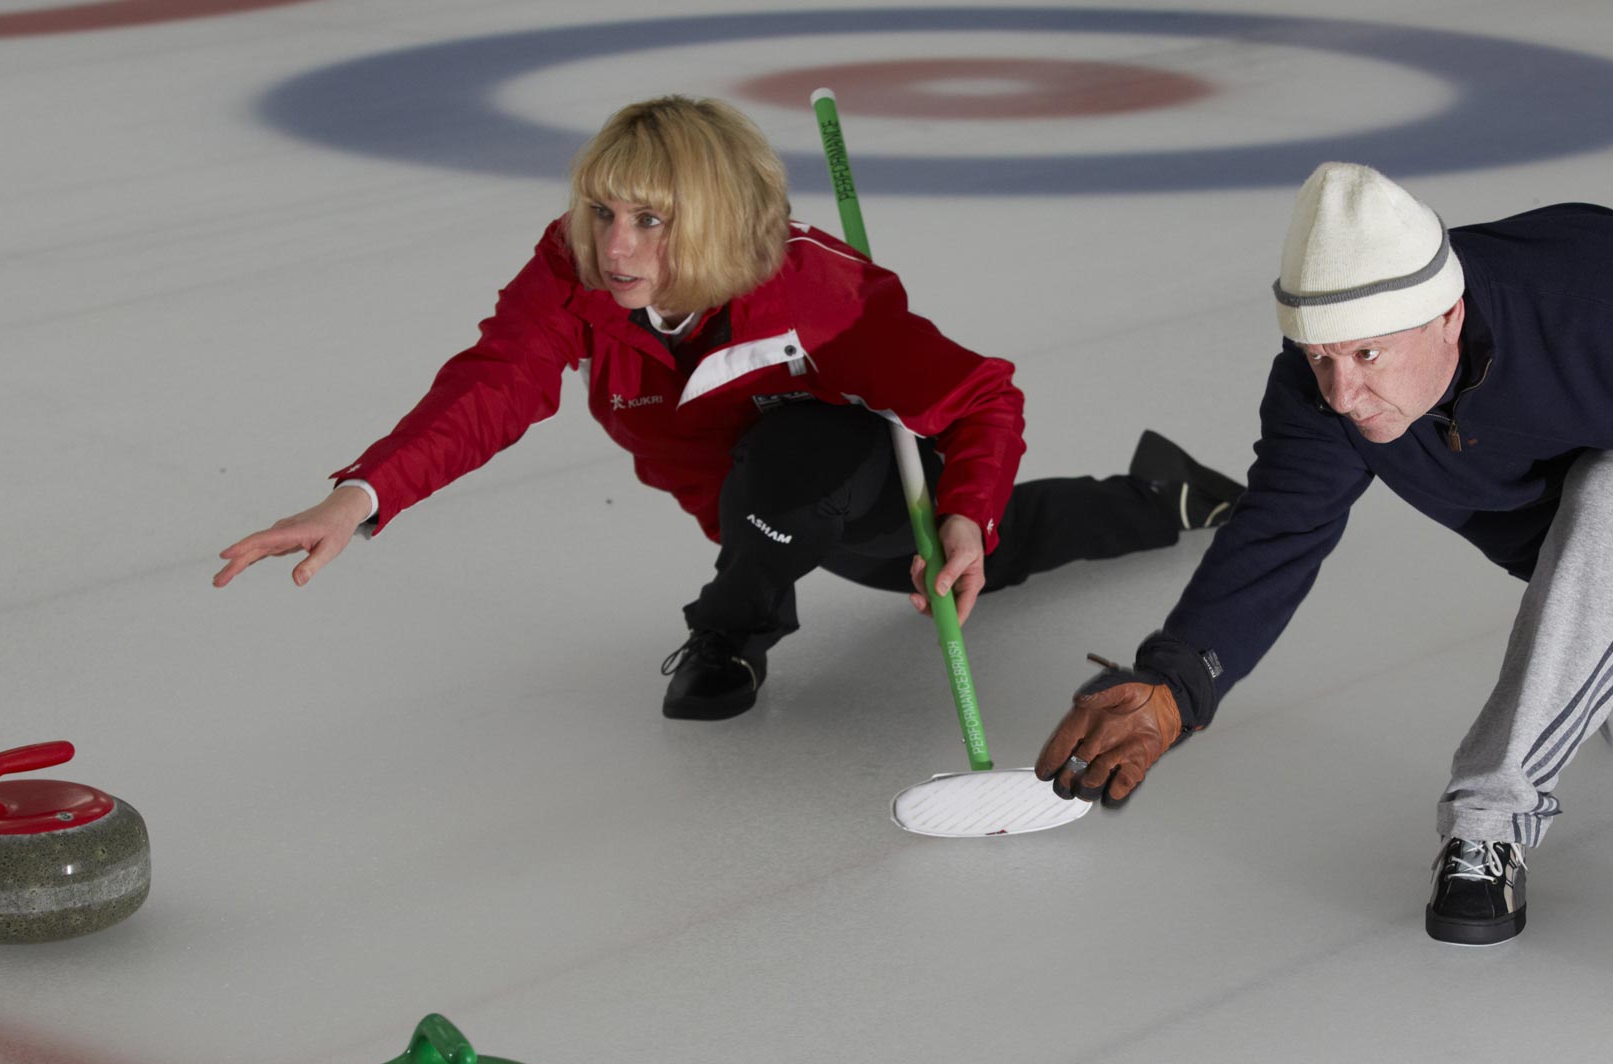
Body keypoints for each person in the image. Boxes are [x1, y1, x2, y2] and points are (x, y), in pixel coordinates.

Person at [1033, 162, 1613, 945]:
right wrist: (1183, 675)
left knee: (1608, 501)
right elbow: (1281, 527)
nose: (1343, 394)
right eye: (1320, 356)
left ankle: (1488, 827)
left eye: (1366, 354)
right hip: (1562, 519)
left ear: (1448, 313)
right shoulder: (1325, 396)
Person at [214, 95, 1242, 720]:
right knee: (899, 542)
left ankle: (733, 632)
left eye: (648, 222)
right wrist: (359, 497)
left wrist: (966, 511)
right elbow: (493, 383)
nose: (613, 247)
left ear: (705, 220)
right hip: (753, 501)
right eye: (602, 213)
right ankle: (1157, 490)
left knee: (960, 538)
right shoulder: (574, 270)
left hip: (844, 476)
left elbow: (981, 398)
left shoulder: (818, 296)